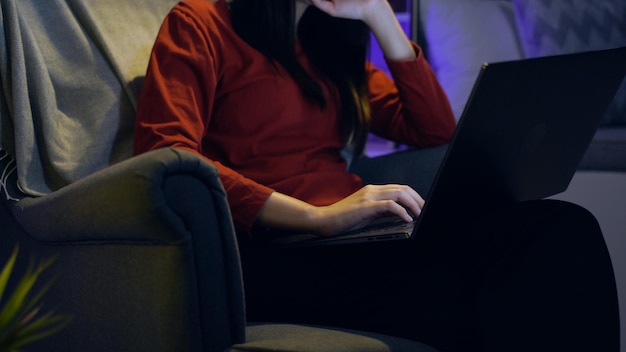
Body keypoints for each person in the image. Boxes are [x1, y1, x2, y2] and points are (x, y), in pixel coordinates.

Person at [133, 0, 619, 351]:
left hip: (356, 239)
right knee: (472, 297)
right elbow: (166, 153)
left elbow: (433, 131)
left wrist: (382, 19)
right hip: (270, 250)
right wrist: (315, 218)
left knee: (559, 226)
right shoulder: (200, 23)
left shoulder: (328, 48)